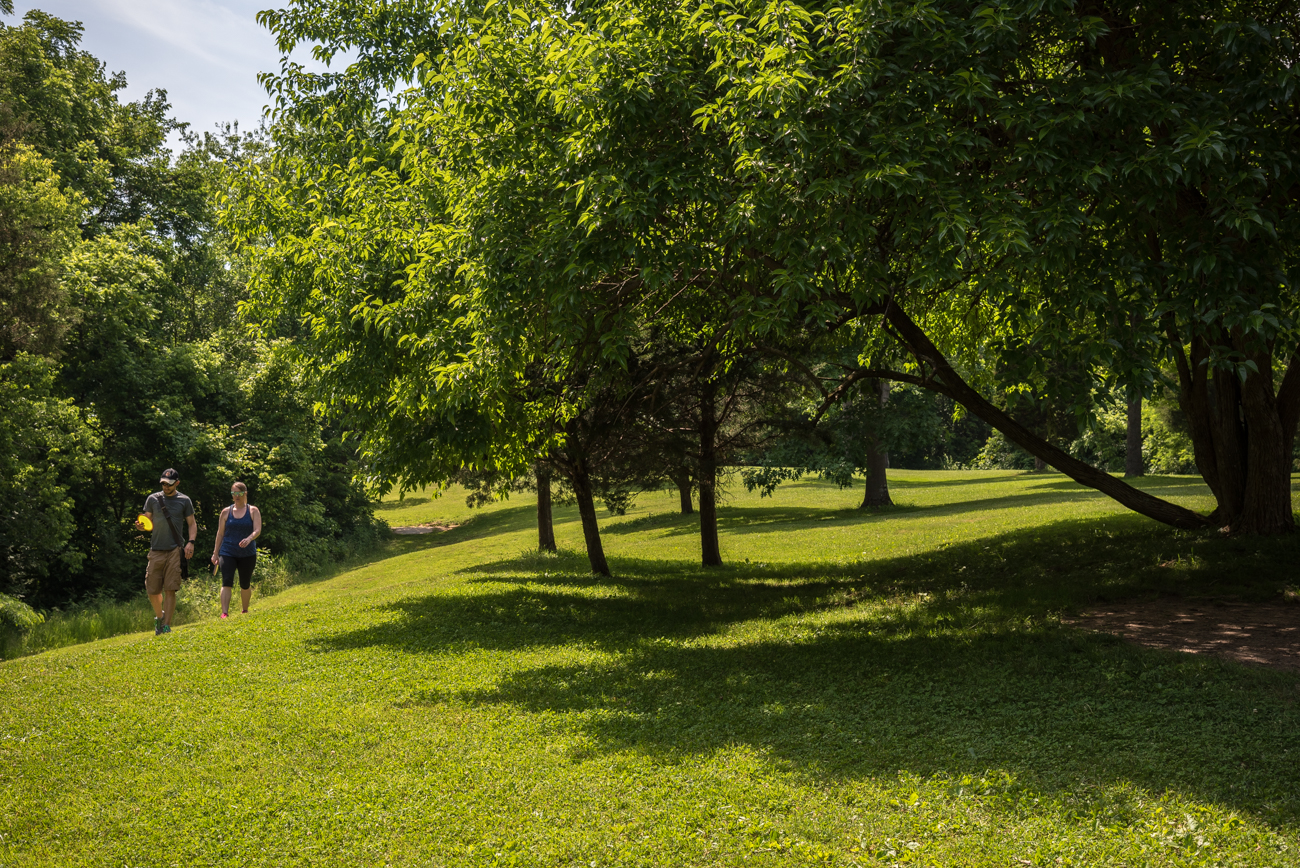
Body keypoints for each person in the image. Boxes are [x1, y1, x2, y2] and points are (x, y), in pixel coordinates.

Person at [135, 468, 197, 635]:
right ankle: (159, 616)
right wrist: (141, 525)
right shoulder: (153, 499)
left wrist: (190, 543)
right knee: (152, 590)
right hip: (156, 550)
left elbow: (192, 523)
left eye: (169, 484)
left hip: (175, 550)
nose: (165, 486)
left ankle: (167, 626)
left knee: (170, 589)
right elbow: (147, 521)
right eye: (163, 483)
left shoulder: (184, 500)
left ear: (177, 483)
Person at [209, 481, 261, 618]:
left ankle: (245, 610)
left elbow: (257, 530)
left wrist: (249, 539)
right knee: (227, 581)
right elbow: (220, 534)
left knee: (245, 583)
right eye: (234, 493)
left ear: (245, 494)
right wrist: (215, 553)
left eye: (239, 493)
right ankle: (224, 613)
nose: (236, 496)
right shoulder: (226, 512)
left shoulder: (253, 510)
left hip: (247, 553)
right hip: (227, 552)